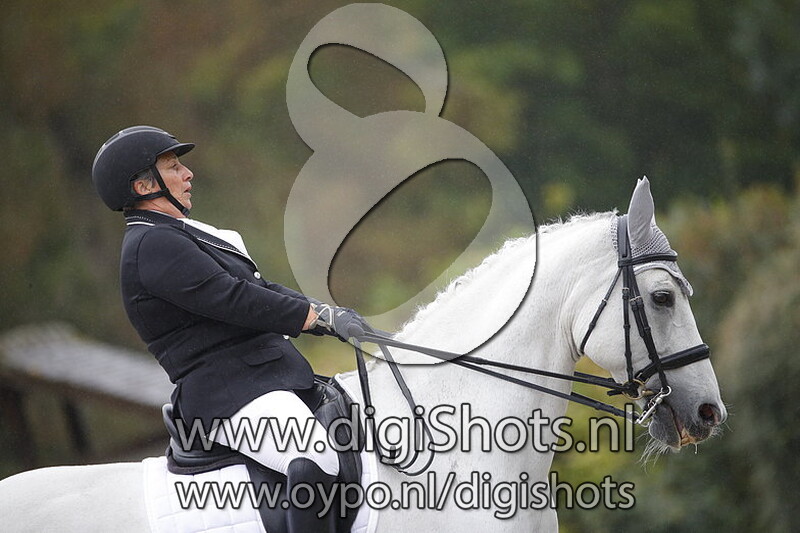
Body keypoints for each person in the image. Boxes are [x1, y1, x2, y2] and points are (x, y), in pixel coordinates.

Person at [92, 125, 365, 532]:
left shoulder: (180, 234)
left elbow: (259, 287)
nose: (188, 174)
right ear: (144, 185)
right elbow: (233, 299)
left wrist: (327, 313)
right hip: (229, 393)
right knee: (314, 457)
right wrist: (314, 318)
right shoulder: (151, 245)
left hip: (263, 377)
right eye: (174, 167)